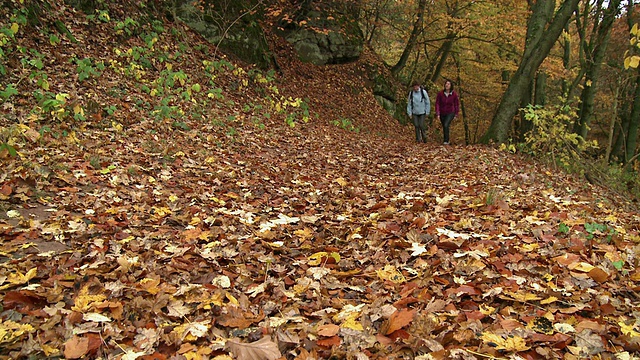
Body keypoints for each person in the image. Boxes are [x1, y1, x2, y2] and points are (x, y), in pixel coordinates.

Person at [435, 80, 460, 145]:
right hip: (442, 112)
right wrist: (437, 113)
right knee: (445, 126)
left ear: (451, 86)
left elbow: (456, 104)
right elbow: (437, 103)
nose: (447, 85)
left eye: (448, 84)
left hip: (450, 112)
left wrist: (456, 114)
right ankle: (446, 139)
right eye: (446, 84)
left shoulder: (454, 94)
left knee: (446, 124)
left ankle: (446, 141)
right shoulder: (440, 94)